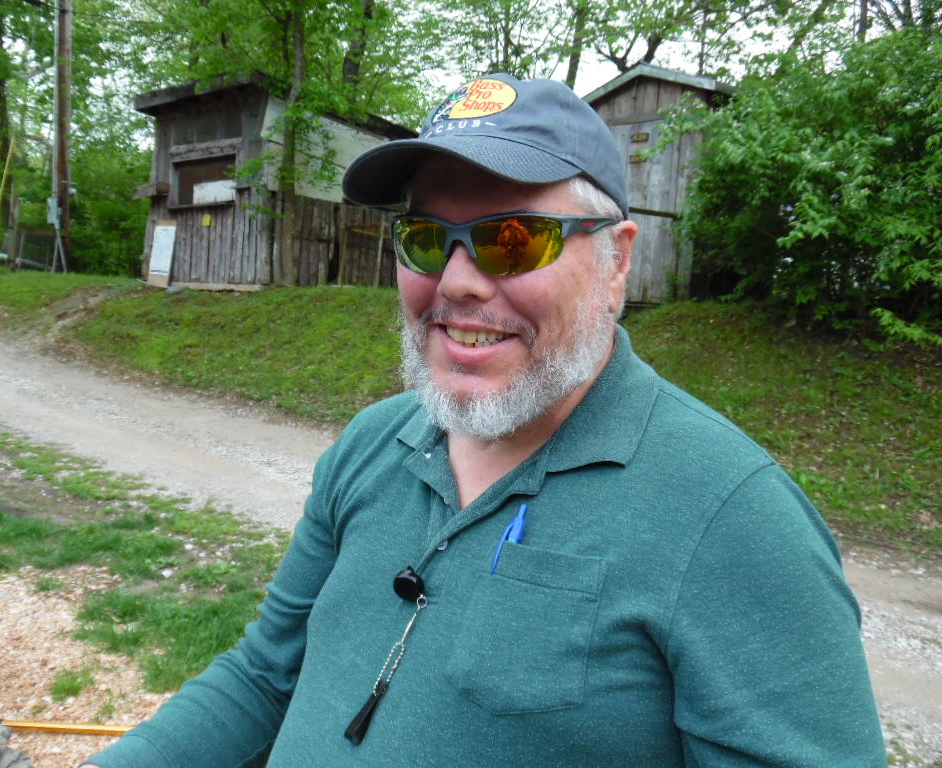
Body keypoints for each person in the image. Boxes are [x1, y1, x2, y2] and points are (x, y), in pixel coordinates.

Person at [85, 73, 886, 767]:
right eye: (427, 238)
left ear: (617, 261)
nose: (458, 281)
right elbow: (266, 677)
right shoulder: (372, 445)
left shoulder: (734, 519)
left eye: (513, 239)